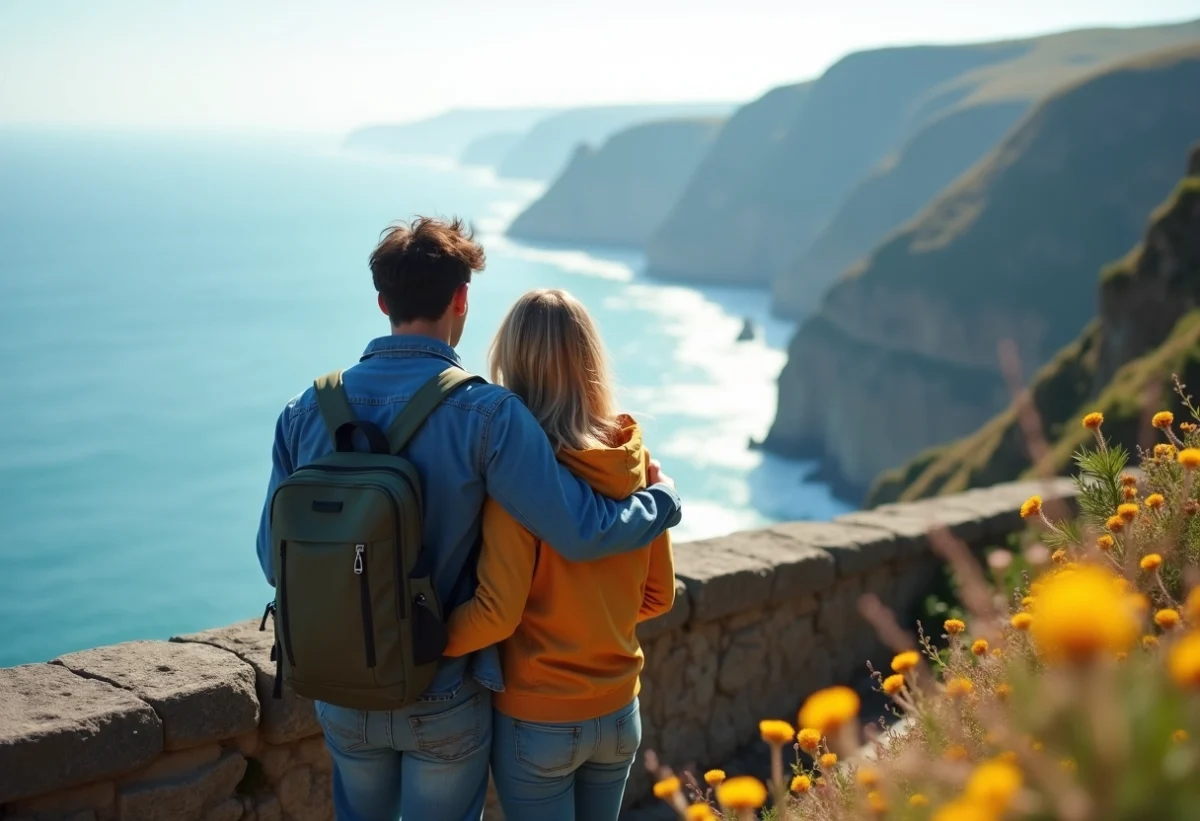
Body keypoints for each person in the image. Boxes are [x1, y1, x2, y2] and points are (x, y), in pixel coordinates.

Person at [254, 218, 682, 821]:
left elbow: (273, 560)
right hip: (442, 689)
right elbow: (582, 530)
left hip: (343, 686)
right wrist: (661, 503)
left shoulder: (303, 411)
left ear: (382, 303)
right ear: (461, 299)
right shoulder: (489, 415)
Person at [443, 288, 676, 821]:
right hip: (619, 711)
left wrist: (427, 641)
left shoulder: (521, 478)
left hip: (539, 716)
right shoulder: (636, 463)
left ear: (513, 361)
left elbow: (497, 613)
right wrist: (596, 622)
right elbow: (658, 596)